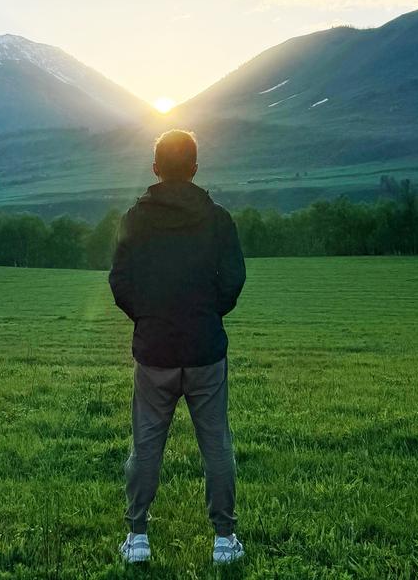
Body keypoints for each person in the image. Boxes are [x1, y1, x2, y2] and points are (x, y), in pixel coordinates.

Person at [108, 128, 247, 565]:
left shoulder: (135, 218)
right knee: (217, 445)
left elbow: (119, 281)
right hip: (206, 349)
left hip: (155, 354)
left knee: (146, 445)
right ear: (194, 168)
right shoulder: (218, 218)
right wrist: (208, 314)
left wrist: (148, 318)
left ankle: (138, 537)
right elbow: (235, 279)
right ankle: (224, 541)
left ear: (154, 168)